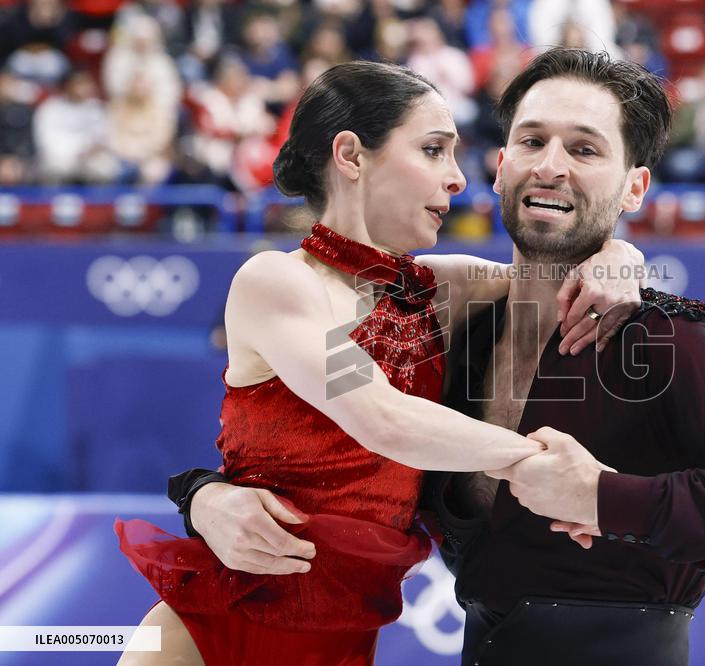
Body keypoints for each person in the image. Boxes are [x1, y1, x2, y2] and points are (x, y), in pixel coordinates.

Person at [171, 49, 705, 665]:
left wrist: (606, 497)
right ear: (503, 167)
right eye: (532, 141)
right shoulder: (441, 320)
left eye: (584, 149)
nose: (550, 164)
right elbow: (348, 430)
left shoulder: (665, 338)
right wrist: (205, 496)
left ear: (635, 188)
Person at [115, 59, 645, 666]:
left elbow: (545, 275)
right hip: (215, 634)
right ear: (352, 156)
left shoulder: (431, 287)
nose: (457, 180)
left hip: (342, 639)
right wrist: (545, 466)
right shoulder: (278, 283)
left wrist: (618, 253)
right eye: (433, 151)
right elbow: (382, 418)